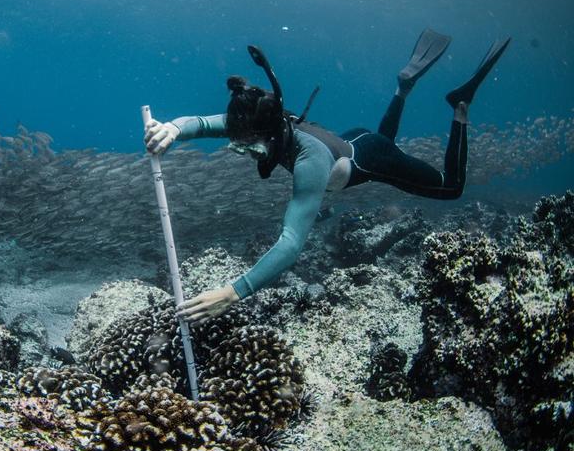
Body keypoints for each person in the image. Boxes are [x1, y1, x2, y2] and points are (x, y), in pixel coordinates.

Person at [143, 29, 510, 326]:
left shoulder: (309, 160)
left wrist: (233, 292)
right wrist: (172, 129)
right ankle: (403, 88)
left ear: (265, 135)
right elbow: (203, 124)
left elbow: (290, 243)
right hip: (354, 142)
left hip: (367, 157)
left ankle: (460, 107)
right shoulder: (260, 117)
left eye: (245, 145)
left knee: (450, 187)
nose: (240, 149)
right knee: (383, 140)